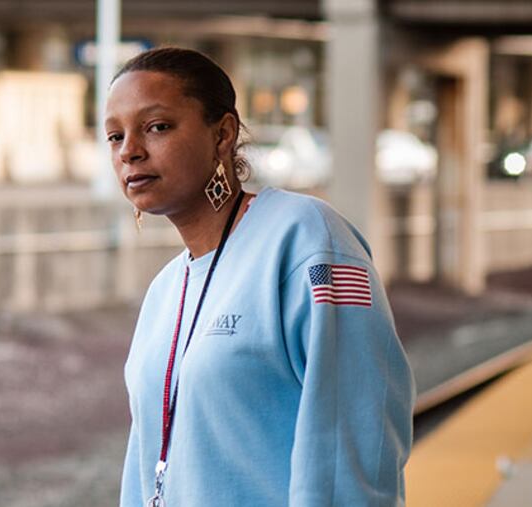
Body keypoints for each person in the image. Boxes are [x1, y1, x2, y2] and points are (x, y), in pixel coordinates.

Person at [105, 46, 415, 507]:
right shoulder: (165, 292)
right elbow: (145, 468)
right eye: (114, 136)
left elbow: (356, 430)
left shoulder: (308, 240)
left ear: (223, 134)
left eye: (157, 127)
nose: (130, 151)